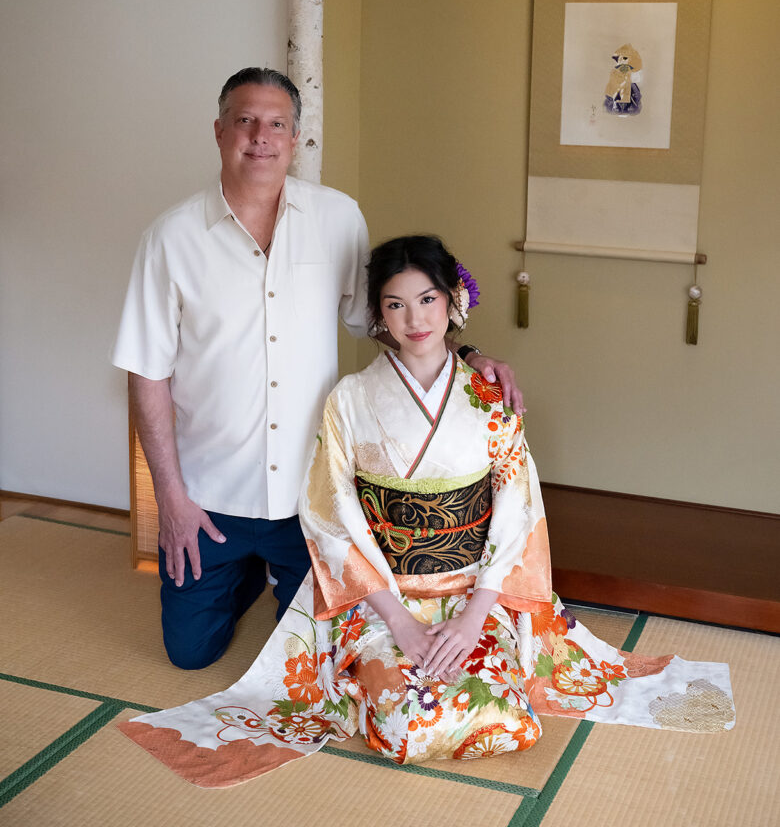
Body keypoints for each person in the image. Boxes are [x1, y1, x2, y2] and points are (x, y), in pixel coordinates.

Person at [119, 236, 734, 787]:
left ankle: (472, 650)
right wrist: (402, 622)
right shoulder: (351, 400)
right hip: (384, 597)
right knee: (404, 726)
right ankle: (382, 655)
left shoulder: (489, 397)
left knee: (505, 719)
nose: (414, 319)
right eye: (395, 304)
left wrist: (471, 620)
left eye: (428, 300)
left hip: (475, 595)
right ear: (378, 317)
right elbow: (333, 516)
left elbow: (517, 510)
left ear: (452, 304)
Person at [111, 70, 523, 670]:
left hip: (311, 495)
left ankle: (273, 572)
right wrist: (171, 500)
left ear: (296, 136)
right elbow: (146, 372)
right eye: (245, 121)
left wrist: (467, 356)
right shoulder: (170, 239)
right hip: (210, 497)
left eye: (277, 123)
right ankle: (242, 573)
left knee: (313, 662)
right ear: (220, 130)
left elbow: (382, 320)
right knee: (189, 654)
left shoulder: (337, 218)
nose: (261, 136)